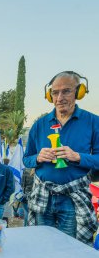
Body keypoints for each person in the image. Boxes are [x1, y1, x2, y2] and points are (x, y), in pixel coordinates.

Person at [23, 71, 99, 243]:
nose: (60, 97)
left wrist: (78, 157)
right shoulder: (39, 125)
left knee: (69, 250)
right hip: (43, 196)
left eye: (66, 91)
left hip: (72, 200)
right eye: (55, 92)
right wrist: (38, 157)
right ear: (49, 96)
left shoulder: (93, 122)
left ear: (79, 92)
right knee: (42, 246)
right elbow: (26, 159)